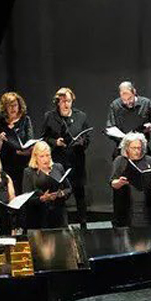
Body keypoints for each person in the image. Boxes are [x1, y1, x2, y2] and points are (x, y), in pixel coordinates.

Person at [42, 87, 90, 229]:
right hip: (58, 161)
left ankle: (83, 225)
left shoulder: (81, 116)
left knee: (80, 194)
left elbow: (87, 137)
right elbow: (44, 137)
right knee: (58, 194)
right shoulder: (50, 116)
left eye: (68, 101)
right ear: (57, 102)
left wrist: (81, 142)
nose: (66, 104)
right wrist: (55, 142)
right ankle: (59, 225)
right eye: (62, 101)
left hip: (77, 160)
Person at [110, 132, 151, 229]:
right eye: (133, 148)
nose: (137, 151)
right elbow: (112, 182)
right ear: (126, 148)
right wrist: (119, 182)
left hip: (147, 208)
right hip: (126, 208)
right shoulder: (120, 161)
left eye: (139, 148)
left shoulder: (149, 160)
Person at [22, 141, 72, 230]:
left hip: (58, 214)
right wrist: (42, 198)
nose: (46, 159)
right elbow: (26, 197)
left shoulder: (58, 167)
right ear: (35, 157)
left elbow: (68, 188)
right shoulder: (29, 172)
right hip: (39, 216)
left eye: (47, 155)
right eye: (42, 156)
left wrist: (61, 194)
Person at [0, 91, 34, 192]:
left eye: (15, 105)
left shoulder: (25, 120)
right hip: (6, 164)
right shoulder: (0, 123)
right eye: (9, 106)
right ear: (4, 108)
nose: (13, 108)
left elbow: (30, 143)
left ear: (19, 106)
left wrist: (22, 152)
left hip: (23, 163)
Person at [106, 81, 151, 158]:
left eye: (130, 98)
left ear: (134, 92)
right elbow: (110, 127)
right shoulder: (115, 105)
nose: (127, 102)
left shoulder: (146, 103)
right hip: (122, 148)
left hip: (141, 148)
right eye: (124, 100)